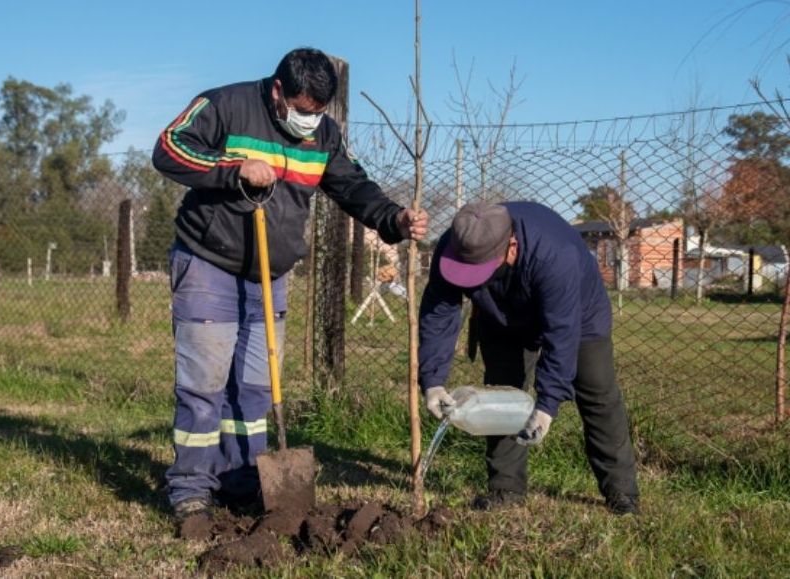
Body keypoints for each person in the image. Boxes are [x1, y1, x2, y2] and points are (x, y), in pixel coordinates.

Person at [152, 47, 428, 522]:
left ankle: (240, 481)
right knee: (205, 388)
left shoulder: (324, 135)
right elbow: (169, 148)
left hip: (270, 276)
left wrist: (394, 219)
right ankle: (192, 489)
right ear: (279, 92)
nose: (309, 121)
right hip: (208, 266)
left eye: (318, 113)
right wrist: (231, 168)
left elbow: (352, 186)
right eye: (302, 111)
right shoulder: (225, 105)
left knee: (255, 390)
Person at [418, 201, 639, 515]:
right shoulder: (456, 244)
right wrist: (433, 381)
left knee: (598, 393)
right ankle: (506, 489)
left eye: (478, 270)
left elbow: (561, 334)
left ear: (510, 247)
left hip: (579, 316)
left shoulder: (555, 255)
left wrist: (547, 405)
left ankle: (622, 493)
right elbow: (439, 312)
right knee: (501, 394)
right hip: (500, 315)